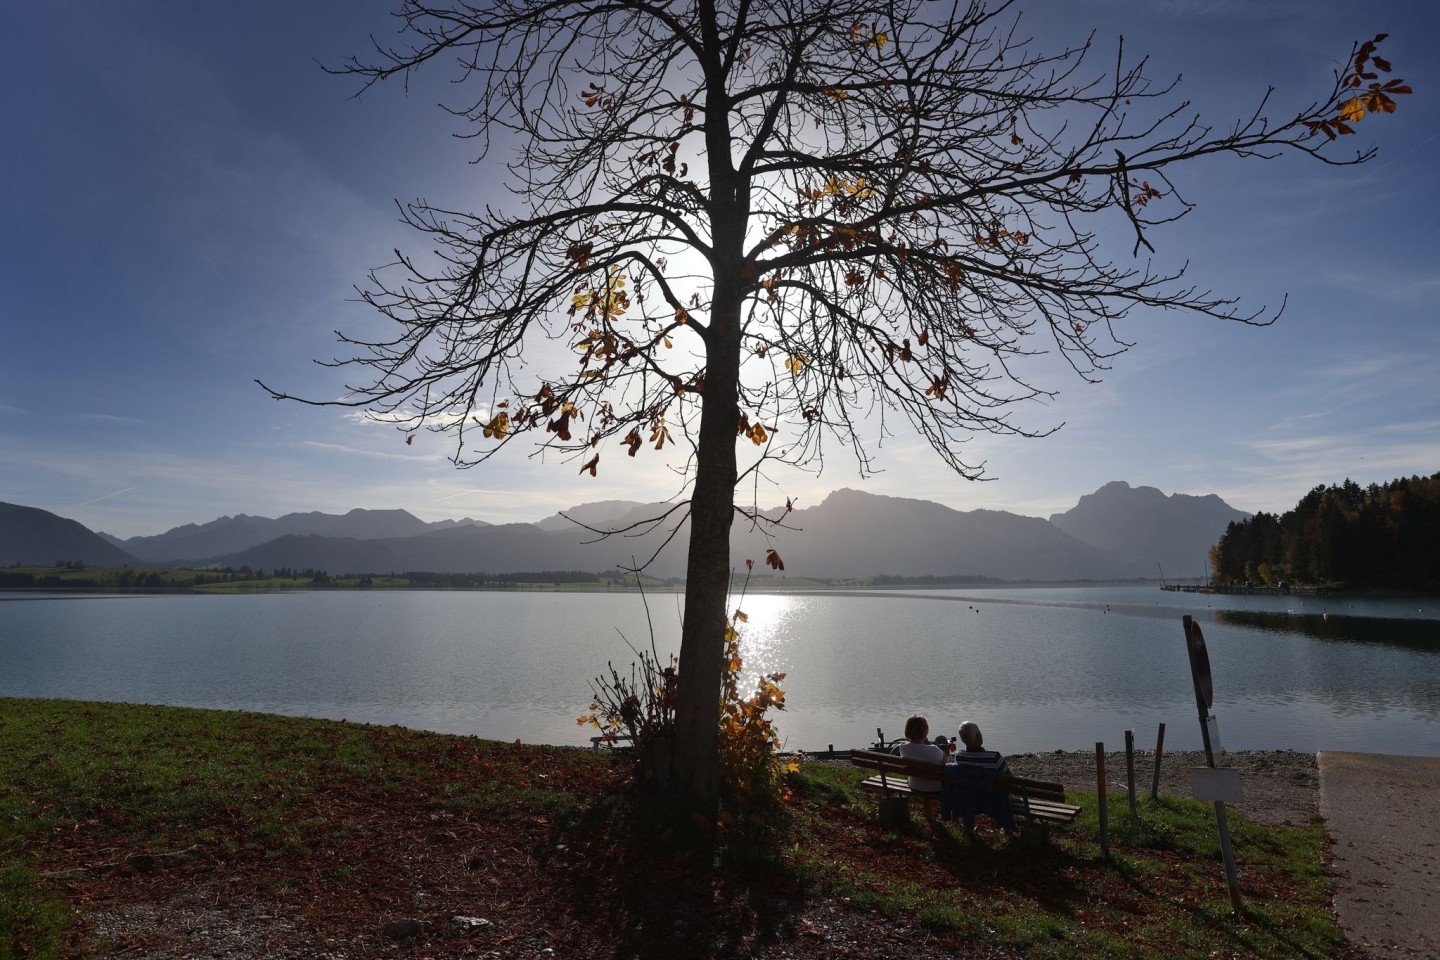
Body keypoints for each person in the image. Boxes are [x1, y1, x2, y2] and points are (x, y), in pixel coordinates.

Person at [942, 721, 1018, 834]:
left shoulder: (959, 756)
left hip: (968, 798)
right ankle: (1007, 827)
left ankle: (967, 825)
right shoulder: (994, 757)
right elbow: (1010, 780)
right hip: (990, 800)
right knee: (1004, 792)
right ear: (978, 736)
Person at [897, 714, 946, 821]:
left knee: (924, 779)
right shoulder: (933, 750)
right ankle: (938, 817)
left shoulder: (903, 748)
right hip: (935, 787)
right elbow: (945, 760)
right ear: (925, 732)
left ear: (907, 731)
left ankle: (930, 816)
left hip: (914, 784)